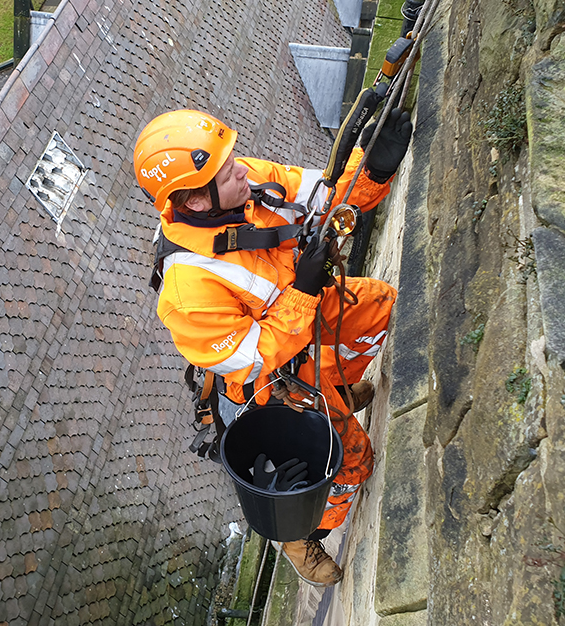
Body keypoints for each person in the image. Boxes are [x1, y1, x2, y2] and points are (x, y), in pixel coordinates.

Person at [133, 108, 412, 586]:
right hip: (278, 377)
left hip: (307, 308)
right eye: (227, 172)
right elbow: (257, 353)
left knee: (383, 308)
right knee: (351, 462)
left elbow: (325, 197)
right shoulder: (187, 293)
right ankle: (303, 535)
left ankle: (340, 389)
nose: (242, 169)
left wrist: (373, 168)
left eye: (233, 160)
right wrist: (302, 292)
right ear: (197, 202)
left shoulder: (243, 186)